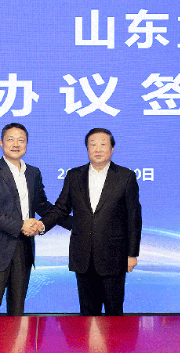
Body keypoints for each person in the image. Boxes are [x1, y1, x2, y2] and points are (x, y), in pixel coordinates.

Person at [42, 128, 141, 316]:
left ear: (112, 149)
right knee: (87, 314)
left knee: (114, 314)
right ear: (87, 149)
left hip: (114, 257)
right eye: (93, 144)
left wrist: (132, 254)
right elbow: (61, 209)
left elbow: (134, 218)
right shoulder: (74, 175)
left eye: (103, 144)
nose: (98, 149)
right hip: (83, 256)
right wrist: (42, 225)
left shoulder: (125, 176)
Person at [0, 123, 54, 316]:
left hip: (23, 249)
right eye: (10, 139)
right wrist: (21, 225)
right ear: (1, 143)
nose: (16, 144)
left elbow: (42, 205)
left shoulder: (33, 172)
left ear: (27, 144)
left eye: (21, 140)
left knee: (17, 312)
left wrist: (74, 221)